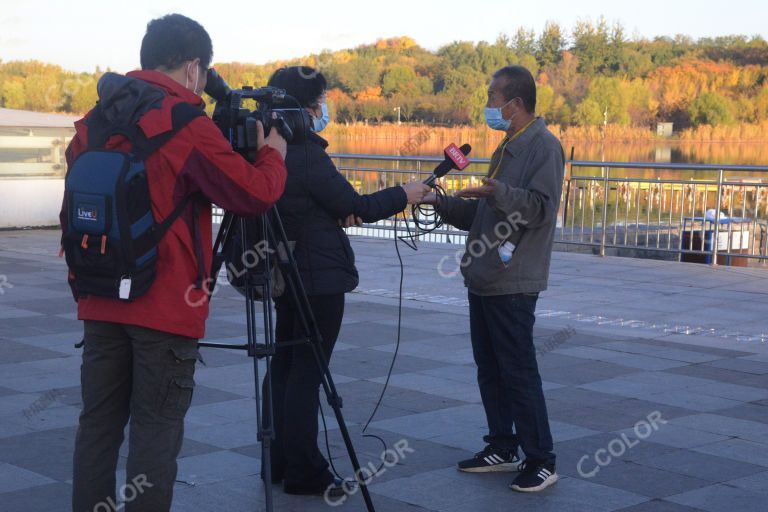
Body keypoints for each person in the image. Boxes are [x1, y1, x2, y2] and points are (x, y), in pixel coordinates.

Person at [62, 14, 288, 512]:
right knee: (156, 431)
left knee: (97, 426)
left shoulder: (97, 118)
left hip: (100, 300)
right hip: (164, 308)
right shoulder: (186, 122)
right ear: (192, 68)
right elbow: (254, 195)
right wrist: (273, 153)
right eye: (204, 74)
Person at [261, 66, 431, 497]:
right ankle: (305, 470)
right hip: (318, 278)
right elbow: (355, 204)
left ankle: (276, 461)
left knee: (282, 366)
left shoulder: (266, 150)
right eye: (320, 103)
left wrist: (335, 210)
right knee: (306, 373)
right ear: (305, 108)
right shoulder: (305, 153)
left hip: (286, 271)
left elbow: (331, 206)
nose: (323, 111)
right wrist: (405, 195)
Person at [423, 65, 564, 493]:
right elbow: (486, 214)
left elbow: (539, 210)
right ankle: (503, 445)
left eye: (492, 97)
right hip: (483, 277)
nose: (488, 106)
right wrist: (442, 203)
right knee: (491, 368)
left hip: (514, 280)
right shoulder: (508, 145)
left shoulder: (544, 148)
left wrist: (496, 193)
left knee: (518, 370)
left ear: (515, 103)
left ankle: (541, 458)